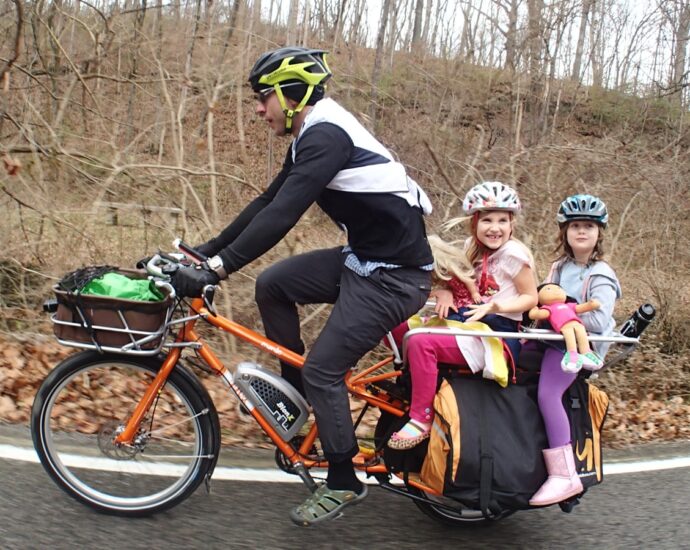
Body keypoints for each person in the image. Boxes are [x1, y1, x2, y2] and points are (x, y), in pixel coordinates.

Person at [170, 46, 434, 526]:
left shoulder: (327, 135)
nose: (258, 108)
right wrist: (204, 253)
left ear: (292, 95)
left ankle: (342, 480)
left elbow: (283, 214)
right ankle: (298, 407)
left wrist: (218, 269)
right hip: (364, 261)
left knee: (325, 370)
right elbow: (268, 200)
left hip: (395, 280)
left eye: (263, 97)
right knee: (273, 284)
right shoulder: (315, 132)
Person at [388, 182, 538, 449]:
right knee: (396, 325)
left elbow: (531, 298)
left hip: (496, 334)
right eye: (487, 220)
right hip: (466, 321)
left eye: (503, 220)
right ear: (474, 223)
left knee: (422, 341)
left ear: (512, 223)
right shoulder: (471, 247)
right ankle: (412, 385)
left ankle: (421, 418)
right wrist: (444, 290)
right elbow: (458, 281)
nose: (495, 228)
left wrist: (497, 307)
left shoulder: (513, 254)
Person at [529, 194, 621, 506]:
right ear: (565, 232)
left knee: (547, 394)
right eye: (575, 226)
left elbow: (598, 319)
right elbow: (542, 299)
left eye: (589, 227)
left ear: (599, 234)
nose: (582, 232)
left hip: (581, 349)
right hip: (552, 339)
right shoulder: (558, 267)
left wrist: (561, 313)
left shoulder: (602, 274)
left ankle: (563, 475)